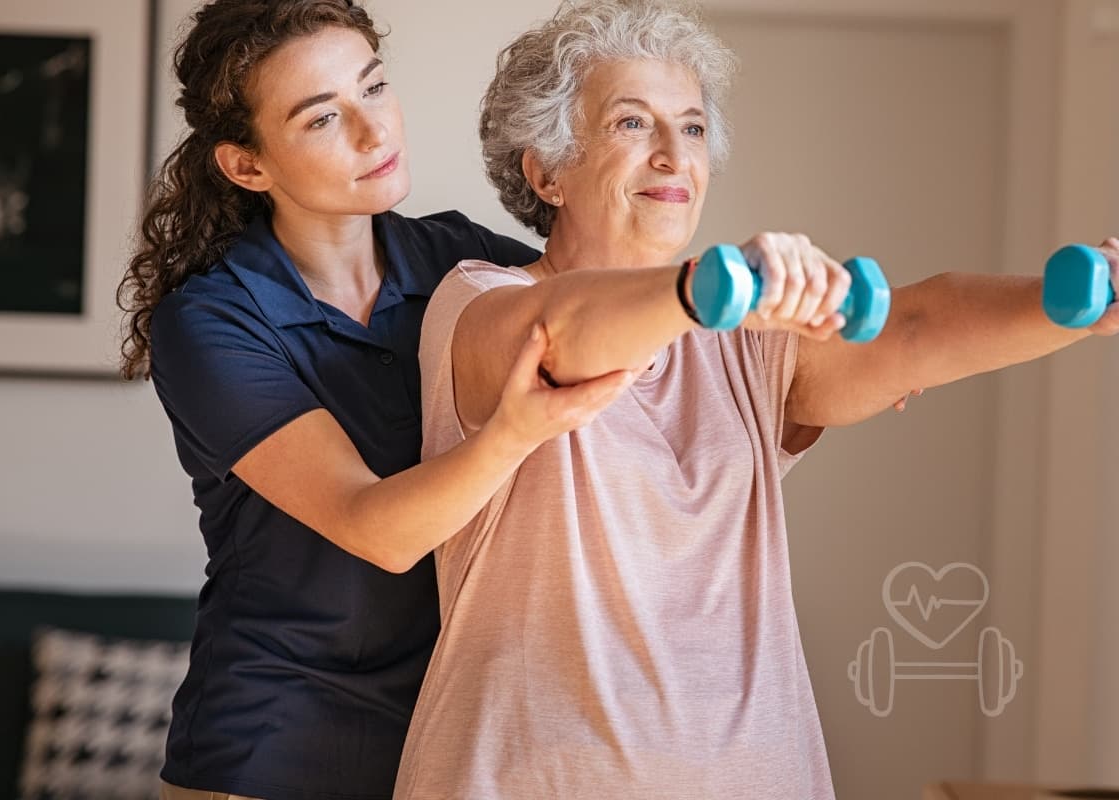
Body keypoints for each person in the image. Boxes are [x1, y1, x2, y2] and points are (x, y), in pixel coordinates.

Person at [393, 1, 1119, 797]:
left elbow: (911, 325)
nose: (675, 155)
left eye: (694, 128)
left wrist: (1074, 305)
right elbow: (563, 339)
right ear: (546, 172)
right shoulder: (479, 302)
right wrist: (710, 289)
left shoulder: (745, 336)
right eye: (633, 124)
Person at [115, 1, 633, 798]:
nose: (374, 131)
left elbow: (597, 318)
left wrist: (789, 364)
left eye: (375, 87)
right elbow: (377, 529)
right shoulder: (213, 321)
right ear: (249, 166)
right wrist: (514, 432)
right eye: (323, 119)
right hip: (274, 751)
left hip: (449, 745)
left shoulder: (459, 258)